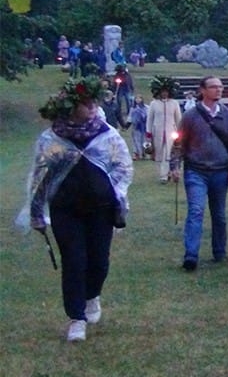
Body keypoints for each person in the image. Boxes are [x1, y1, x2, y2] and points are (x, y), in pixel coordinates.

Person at [16, 77, 133, 342]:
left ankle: (92, 296)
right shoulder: (52, 138)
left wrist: (117, 193)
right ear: (71, 107)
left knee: (99, 261)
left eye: (94, 103)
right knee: (74, 261)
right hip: (65, 210)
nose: (92, 107)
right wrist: (36, 212)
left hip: (100, 209)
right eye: (85, 103)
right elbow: (40, 176)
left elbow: (123, 167)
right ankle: (76, 318)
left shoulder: (107, 134)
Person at [170, 76, 228, 271]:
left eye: (220, 87)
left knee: (219, 214)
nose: (218, 90)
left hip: (220, 171)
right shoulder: (191, 116)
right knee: (196, 211)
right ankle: (191, 255)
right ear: (202, 90)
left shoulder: (227, 116)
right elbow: (179, 143)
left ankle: (219, 252)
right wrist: (175, 166)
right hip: (196, 171)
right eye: (213, 87)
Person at [147, 76, 182, 183]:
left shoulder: (174, 103)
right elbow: (149, 120)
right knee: (159, 153)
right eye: (162, 92)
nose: (164, 94)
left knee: (169, 153)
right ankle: (164, 174)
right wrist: (148, 134)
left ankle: (166, 175)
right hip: (157, 132)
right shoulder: (154, 104)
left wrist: (180, 132)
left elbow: (178, 119)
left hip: (171, 132)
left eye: (166, 92)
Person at [129, 95, 148, 160]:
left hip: (144, 126)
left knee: (144, 140)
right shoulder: (133, 108)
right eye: (136, 98)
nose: (138, 99)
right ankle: (136, 153)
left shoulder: (146, 107)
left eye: (139, 98)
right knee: (136, 140)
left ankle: (143, 153)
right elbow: (130, 118)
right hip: (136, 126)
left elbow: (148, 116)